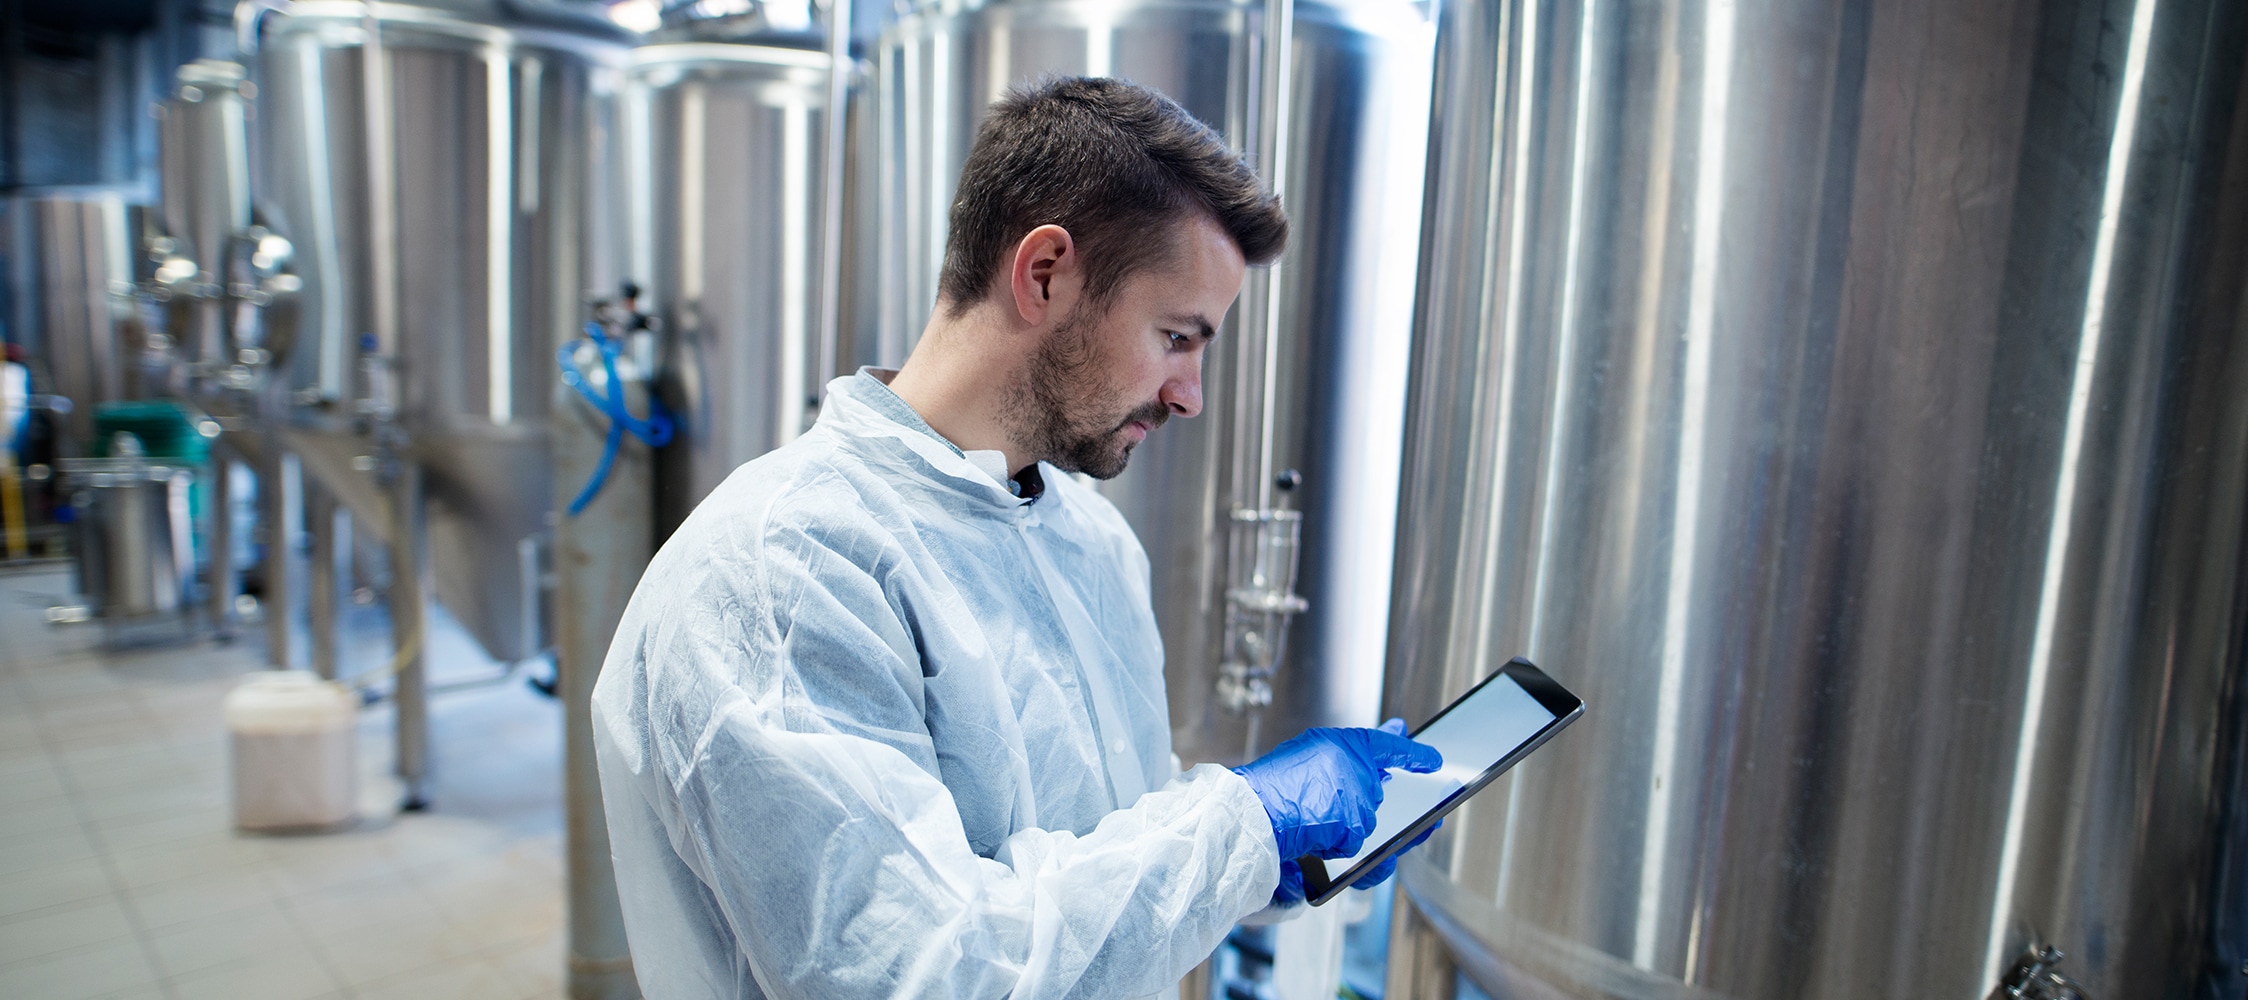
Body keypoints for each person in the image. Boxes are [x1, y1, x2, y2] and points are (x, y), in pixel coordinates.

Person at [591, 76, 1442, 999]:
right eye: (1176, 337)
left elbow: (1108, 831)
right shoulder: (781, 572)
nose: (1190, 394)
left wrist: (1261, 865)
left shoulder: (1087, 539)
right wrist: (1243, 825)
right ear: (1044, 274)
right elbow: (918, 974)